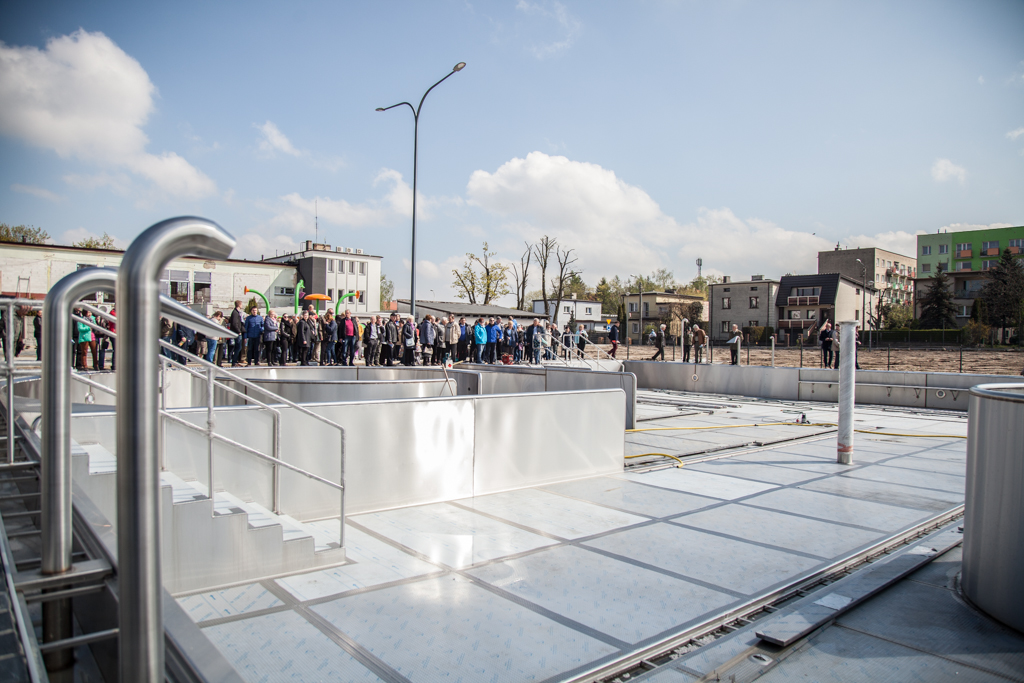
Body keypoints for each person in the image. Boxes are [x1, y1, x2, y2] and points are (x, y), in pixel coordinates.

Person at [229, 300, 245, 366]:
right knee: (238, 347)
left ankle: (235, 361)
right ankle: (234, 361)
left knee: (237, 347)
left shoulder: (236, 312)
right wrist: (238, 331)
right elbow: (234, 323)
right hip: (237, 332)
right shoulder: (235, 313)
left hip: (237, 331)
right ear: (239, 305)